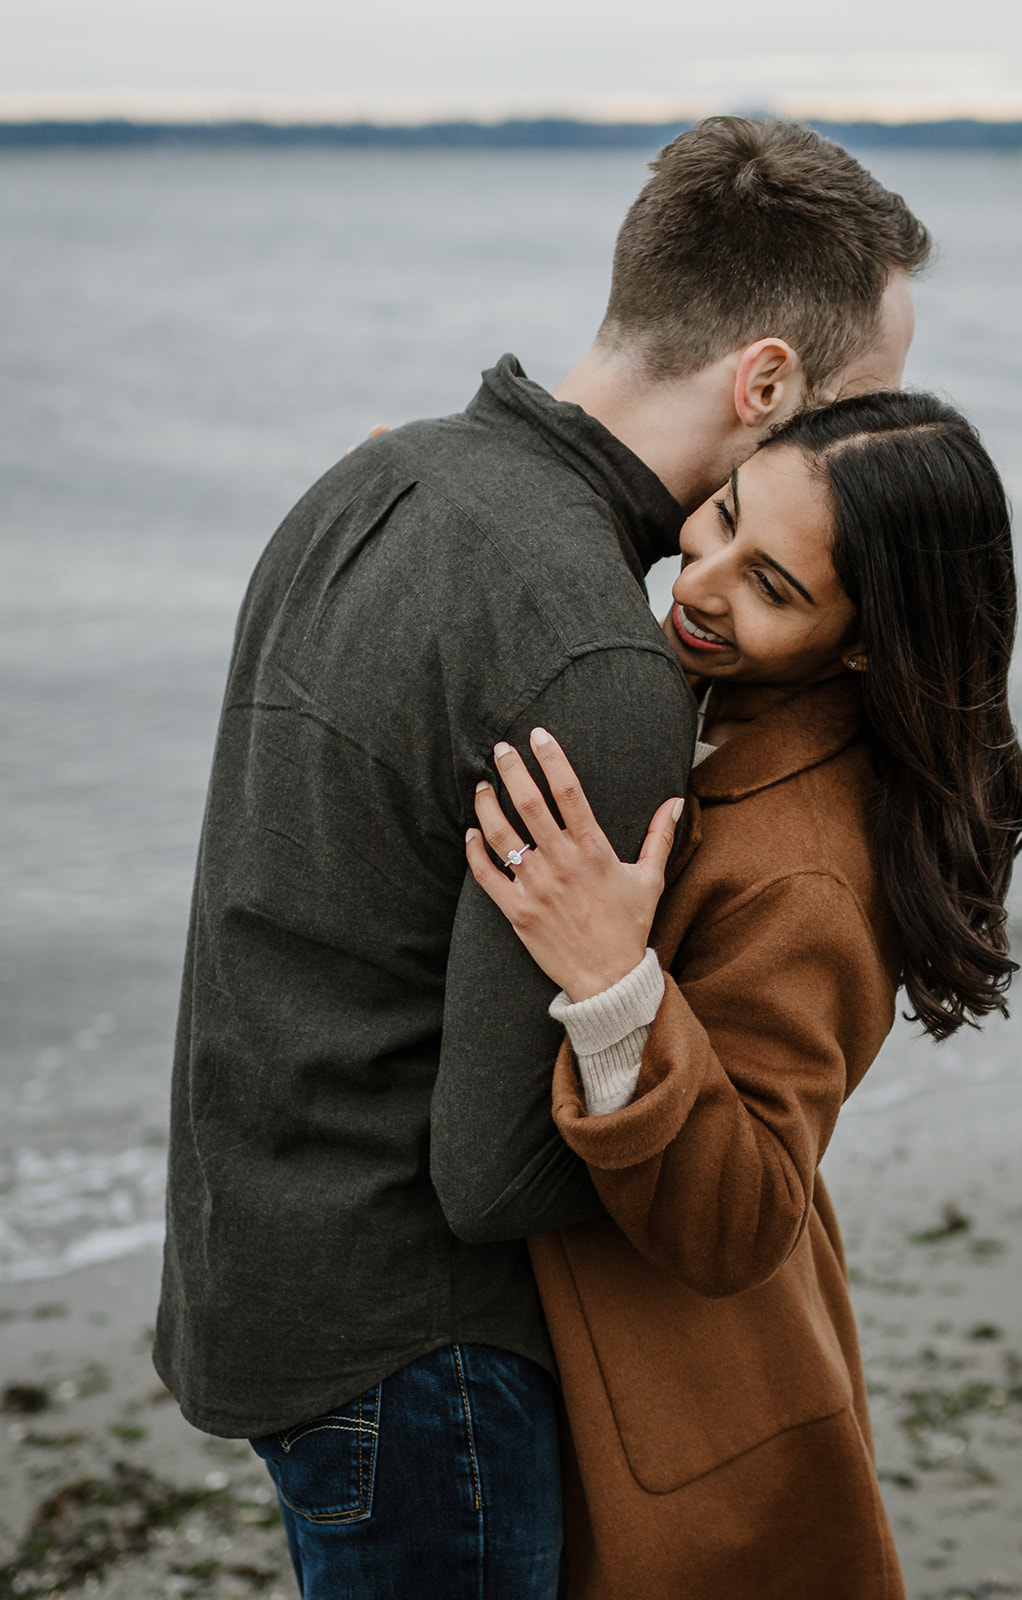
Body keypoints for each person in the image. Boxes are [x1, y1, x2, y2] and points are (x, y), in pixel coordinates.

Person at [153, 118, 929, 1598]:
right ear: (766, 382)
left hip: (249, 1270)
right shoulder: (592, 653)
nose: (858, 450)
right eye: (854, 405)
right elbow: (497, 1173)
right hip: (421, 1349)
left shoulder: (373, 484)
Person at [464, 390, 1022, 1599]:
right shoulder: (747, 696)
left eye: (773, 586)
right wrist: (441, 514)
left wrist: (616, 981)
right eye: (718, 517)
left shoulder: (812, 878)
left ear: (869, 640)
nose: (701, 579)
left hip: (697, 1397)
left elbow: (743, 1214)